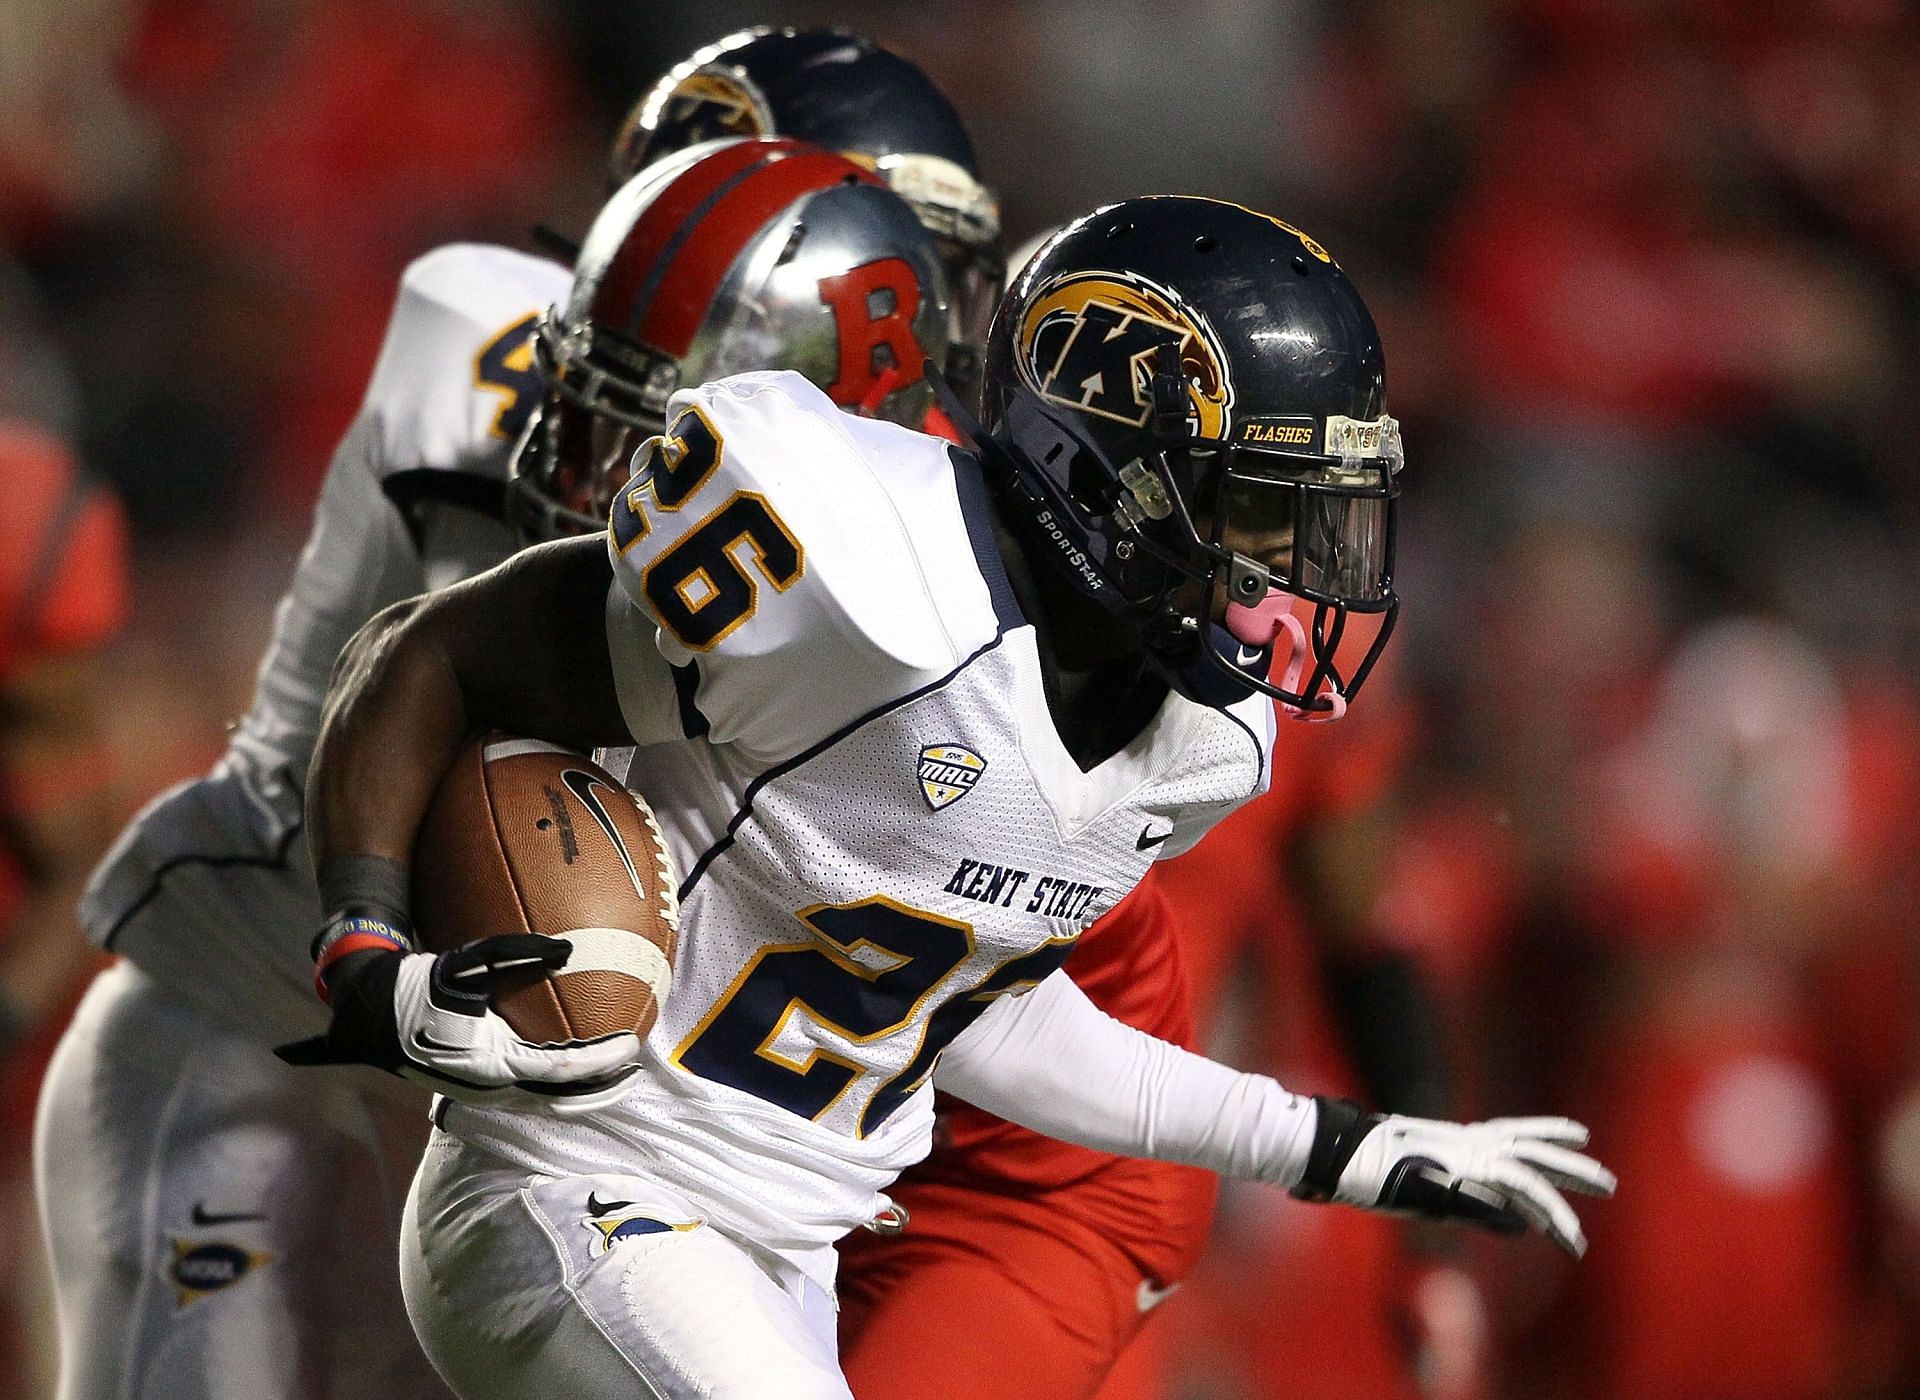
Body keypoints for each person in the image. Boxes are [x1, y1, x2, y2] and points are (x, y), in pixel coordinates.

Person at [287, 194, 1615, 1399]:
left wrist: (1350, 1151)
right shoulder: (859, 582)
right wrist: (362, 939)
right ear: (1119, 469)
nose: (1288, 577)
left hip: (785, 1258)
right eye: (1260, 510)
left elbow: (968, 1011)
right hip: (579, 1190)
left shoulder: (1204, 744)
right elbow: (434, 655)